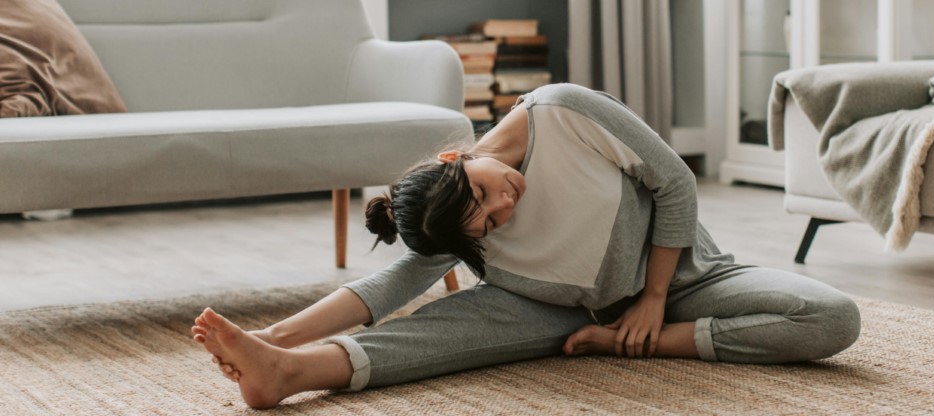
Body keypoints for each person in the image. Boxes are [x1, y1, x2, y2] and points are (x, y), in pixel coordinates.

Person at [191, 83, 860, 409]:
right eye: (489, 224)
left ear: (457, 155)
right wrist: (275, 334)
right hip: (545, 308)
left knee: (831, 318)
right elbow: (390, 287)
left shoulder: (563, 111)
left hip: (680, 281)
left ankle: (639, 342)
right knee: (432, 335)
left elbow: (675, 184)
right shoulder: (452, 225)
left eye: (483, 192)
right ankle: (288, 373)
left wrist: (652, 304)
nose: (504, 203)